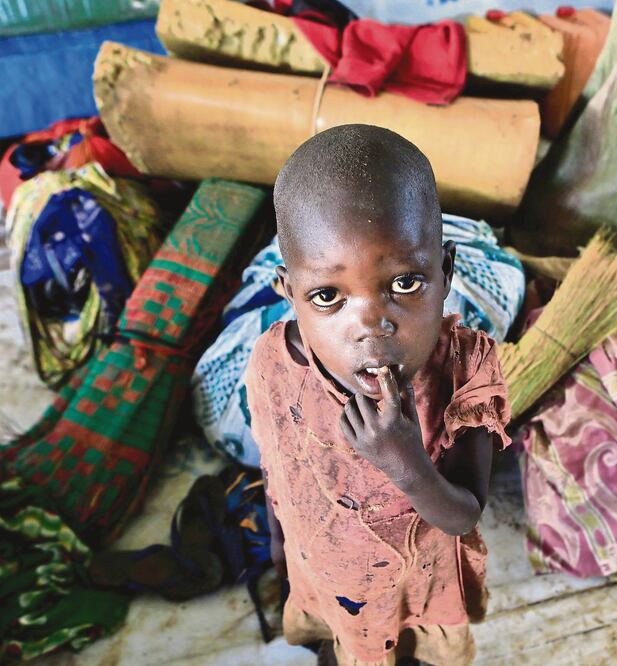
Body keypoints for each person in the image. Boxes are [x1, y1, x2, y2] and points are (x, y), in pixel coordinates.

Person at [244, 124, 511, 666]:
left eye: (406, 284)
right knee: (340, 647)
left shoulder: (465, 370)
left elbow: (463, 516)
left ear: (445, 272)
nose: (370, 325)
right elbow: (278, 464)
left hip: (419, 586)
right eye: (327, 296)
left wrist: (406, 462)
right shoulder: (273, 363)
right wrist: (279, 546)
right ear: (289, 293)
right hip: (325, 571)